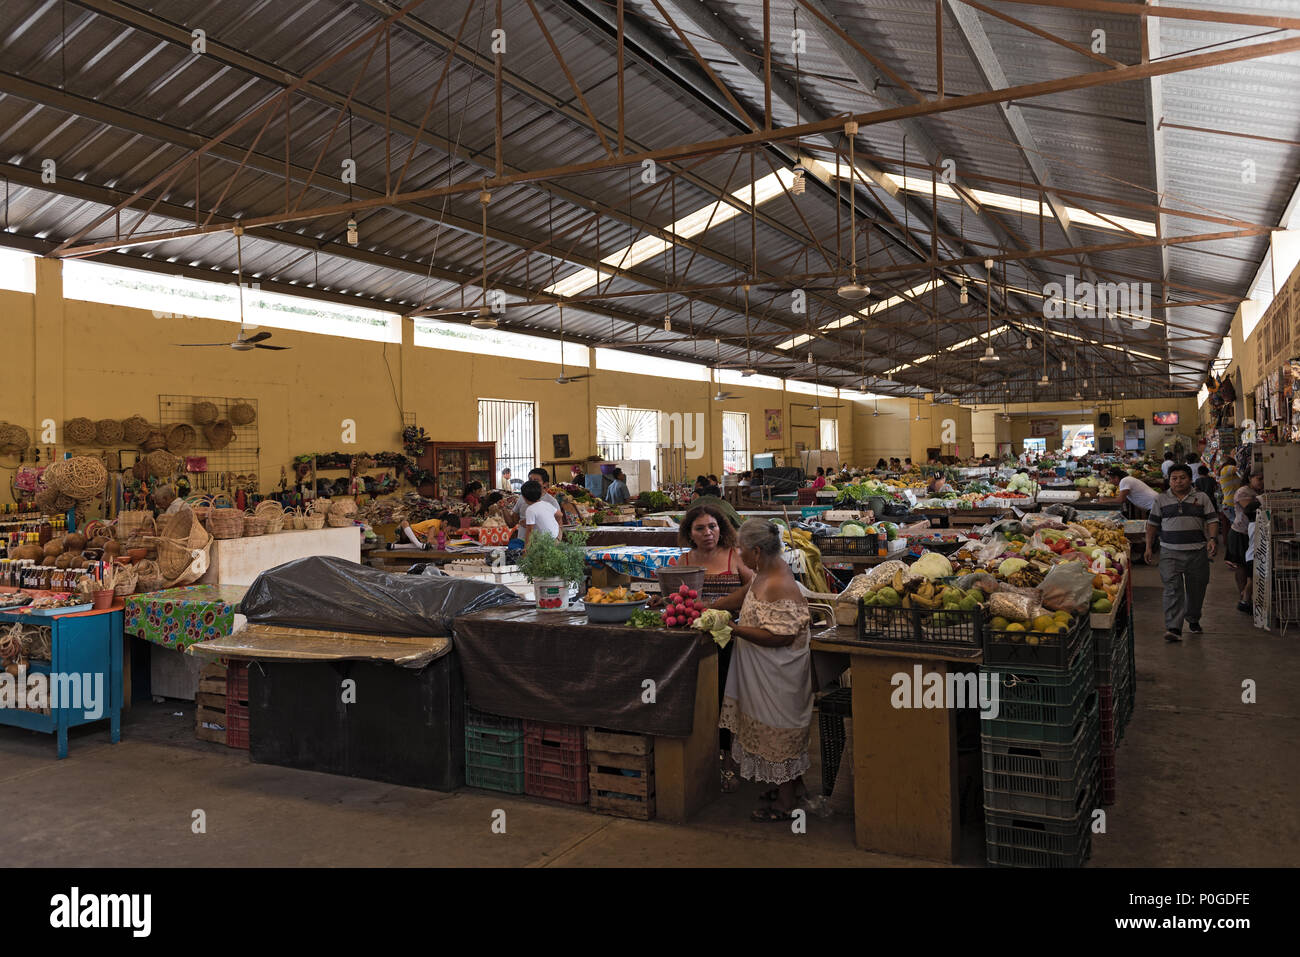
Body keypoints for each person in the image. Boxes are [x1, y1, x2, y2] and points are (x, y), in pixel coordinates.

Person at [706, 519, 812, 821]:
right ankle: (793, 787)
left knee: (778, 733)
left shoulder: (779, 583)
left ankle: (786, 803)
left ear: (756, 551)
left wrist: (734, 629)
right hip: (765, 673)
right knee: (770, 731)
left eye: (741, 549)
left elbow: (782, 636)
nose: (738, 554)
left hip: (779, 676)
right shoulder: (765, 572)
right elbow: (746, 594)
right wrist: (712, 606)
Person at [1145, 464, 1218, 642]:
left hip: (1197, 552)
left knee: (1197, 589)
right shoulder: (1161, 499)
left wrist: (1213, 539)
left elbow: (1212, 520)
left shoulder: (1201, 497)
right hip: (1169, 552)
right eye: (1174, 478)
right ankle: (1173, 628)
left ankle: (1193, 618)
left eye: (1183, 478)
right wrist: (1148, 546)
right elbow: (1152, 524)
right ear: (1169, 480)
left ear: (1190, 479)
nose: (1178, 482)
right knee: (1172, 589)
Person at [1227, 471, 1264, 613]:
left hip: (1252, 534)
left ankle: (1246, 598)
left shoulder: (1257, 492)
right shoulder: (1243, 491)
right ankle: (1243, 596)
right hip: (1240, 533)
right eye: (1259, 479)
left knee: (1249, 565)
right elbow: (1250, 510)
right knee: (1242, 566)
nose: (1262, 482)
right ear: (1250, 478)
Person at [520, 480, 561, 545]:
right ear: (541, 494)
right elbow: (560, 515)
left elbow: (529, 530)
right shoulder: (547, 504)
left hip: (545, 542)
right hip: (557, 537)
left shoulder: (530, 510)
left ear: (524, 497)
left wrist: (526, 548)